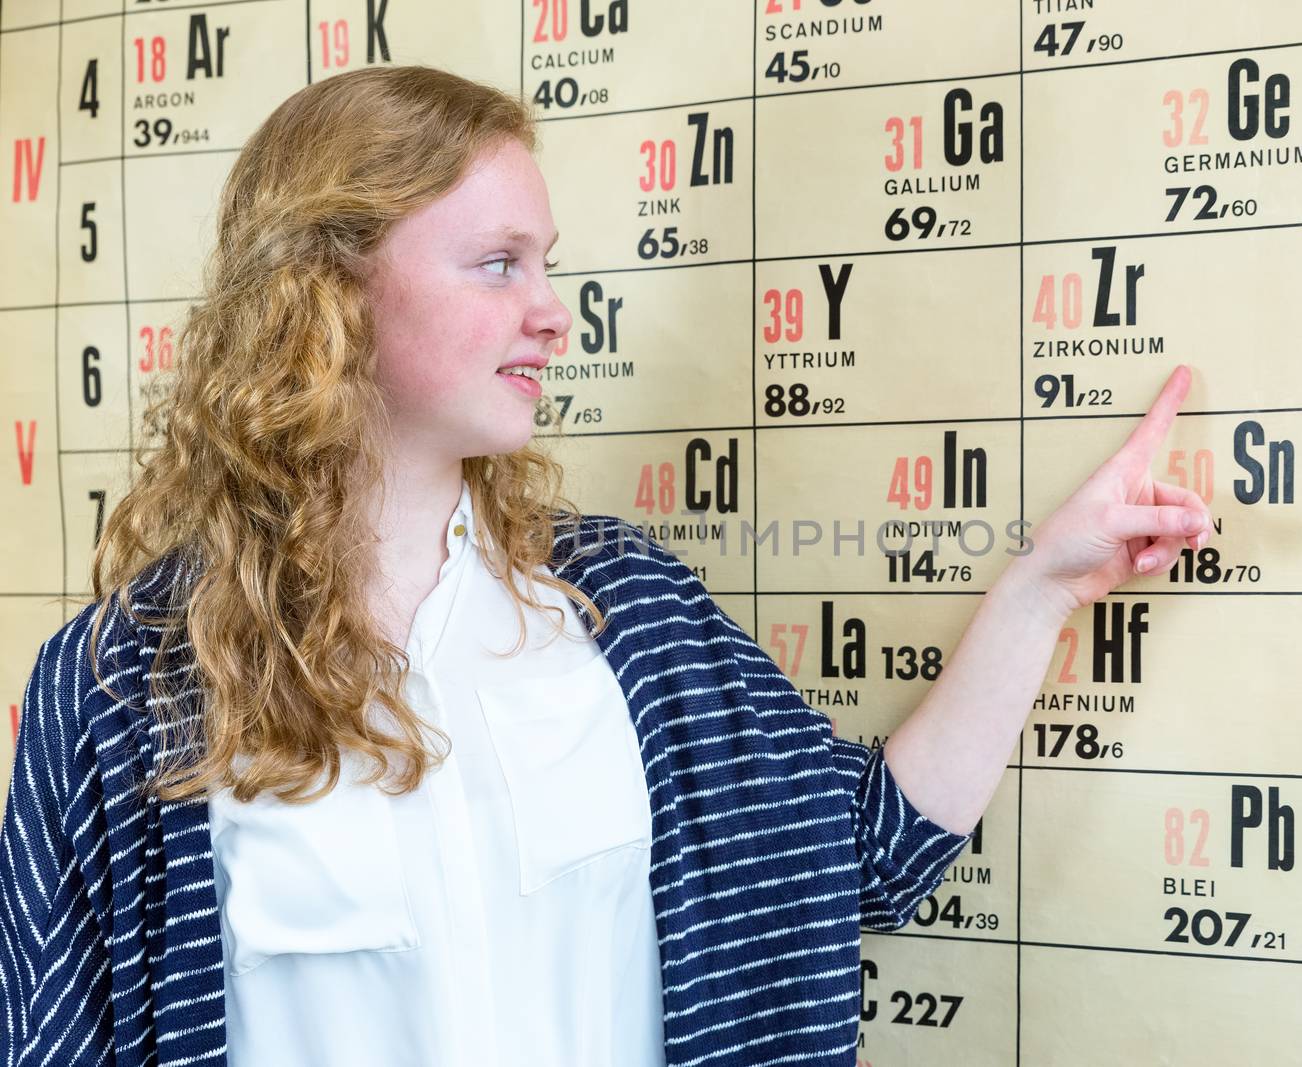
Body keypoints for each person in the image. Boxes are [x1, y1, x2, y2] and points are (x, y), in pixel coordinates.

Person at [0, 65, 1211, 1066]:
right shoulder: (115, 686)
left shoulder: (619, 608)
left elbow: (864, 855)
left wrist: (1045, 581)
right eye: (497, 263)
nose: (553, 312)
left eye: (547, 262)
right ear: (333, 292)